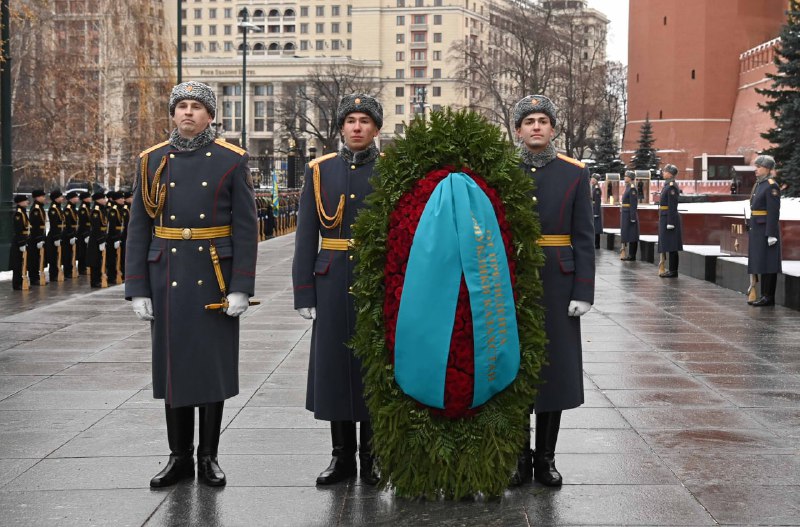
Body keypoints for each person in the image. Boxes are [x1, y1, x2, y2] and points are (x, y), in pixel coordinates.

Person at [125, 81, 258, 488]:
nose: (187, 113)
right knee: (173, 369)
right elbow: (138, 227)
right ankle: (178, 455)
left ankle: (208, 457)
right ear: (172, 113)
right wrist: (138, 287)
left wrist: (240, 287)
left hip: (213, 275)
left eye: (197, 107)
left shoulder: (231, 160)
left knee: (210, 368)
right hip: (167, 274)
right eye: (181, 106)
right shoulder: (151, 161)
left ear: (210, 116)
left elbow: (245, 228)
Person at [292, 93, 383, 486]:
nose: (357, 127)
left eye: (365, 120)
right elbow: (306, 236)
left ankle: (373, 457)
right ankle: (341, 456)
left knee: (375, 368)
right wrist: (304, 292)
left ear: (376, 128)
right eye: (351, 121)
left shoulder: (393, 169)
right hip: (330, 280)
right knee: (335, 368)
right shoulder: (319, 170)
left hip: (378, 278)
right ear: (341, 128)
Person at [511, 94, 595, 487]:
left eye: (543, 120)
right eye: (529, 121)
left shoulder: (574, 173)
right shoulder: (502, 170)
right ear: (517, 130)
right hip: (509, 281)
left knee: (552, 371)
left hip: (558, 285)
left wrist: (583, 290)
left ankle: (545, 458)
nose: (536, 127)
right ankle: (516, 458)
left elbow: (583, 237)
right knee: (511, 368)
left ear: (554, 128)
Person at [747, 155, 781, 306]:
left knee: (769, 263)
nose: (756, 169)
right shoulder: (760, 184)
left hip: (766, 230)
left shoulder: (771, 185)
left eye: (759, 166)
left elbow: (773, 211)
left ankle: (768, 296)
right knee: (761, 261)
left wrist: (771, 234)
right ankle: (763, 294)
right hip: (757, 228)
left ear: (767, 168)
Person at [657, 164, 682, 277]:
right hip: (665, 217)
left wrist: (670, 222)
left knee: (672, 245)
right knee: (668, 244)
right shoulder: (667, 185)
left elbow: (672, 205)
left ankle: (673, 271)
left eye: (665, 171)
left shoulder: (671, 186)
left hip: (669, 219)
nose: (663, 172)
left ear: (670, 173)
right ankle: (671, 270)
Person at [87, 192, 109, 288]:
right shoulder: (96, 211)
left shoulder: (101, 209)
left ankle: (99, 279)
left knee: (100, 260)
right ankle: (95, 281)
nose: (105, 200)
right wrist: (100, 240)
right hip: (96, 238)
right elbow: (96, 227)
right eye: (102, 199)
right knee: (95, 260)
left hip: (102, 236)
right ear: (97, 200)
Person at [10, 195, 31, 290]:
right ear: (20, 202)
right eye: (25, 200)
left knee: (22, 262)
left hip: (24, 239)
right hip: (19, 240)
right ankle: (17, 283)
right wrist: (21, 242)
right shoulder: (18, 213)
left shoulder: (22, 211)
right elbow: (18, 229)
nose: (27, 202)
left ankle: (21, 282)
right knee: (17, 263)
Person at [27, 189, 47, 286]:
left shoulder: (39, 207)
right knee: (34, 259)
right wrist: (39, 238)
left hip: (40, 236)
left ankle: (36, 277)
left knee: (38, 258)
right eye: (42, 196)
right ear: (37, 197)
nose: (44, 198)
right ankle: (34, 278)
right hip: (35, 237)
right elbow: (35, 224)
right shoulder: (36, 208)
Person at [46, 190, 66, 282]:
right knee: (54, 257)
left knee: (58, 256)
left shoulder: (58, 207)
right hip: (54, 235)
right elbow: (54, 224)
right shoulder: (53, 209)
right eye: (60, 197)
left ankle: (57, 274)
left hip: (60, 234)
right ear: (56, 198)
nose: (62, 198)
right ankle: (53, 275)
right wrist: (56, 237)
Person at [620, 171, 640, 261]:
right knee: (627, 233)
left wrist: (632, 217)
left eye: (626, 176)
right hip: (625, 213)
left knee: (632, 234)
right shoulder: (628, 187)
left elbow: (633, 203)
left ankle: (632, 255)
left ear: (630, 178)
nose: (624, 178)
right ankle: (629, 254)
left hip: (629, 214)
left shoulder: (632, 188)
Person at [62, 191, 80, 278]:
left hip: (74, 232)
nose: (77, 198)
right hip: (69, 234)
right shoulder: (68, 208)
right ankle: (67, 271)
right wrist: (71, 235)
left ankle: (71, 270)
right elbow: (68, 223)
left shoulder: (73, 208)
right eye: (76, 197)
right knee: (67, 254)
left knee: (72, 253)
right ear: (71, 199)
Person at [77, 191, 92, 275]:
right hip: (83, 232)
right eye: (88, 197)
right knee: (82, 251)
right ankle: (81, 268)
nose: (90, 199)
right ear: (84, 199)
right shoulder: (83, 208)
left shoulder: (87, 207)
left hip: (88, 230)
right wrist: (86, 234)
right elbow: (83, 222)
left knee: (86, 251)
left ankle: (85, 267)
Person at [590, 175, 602, 249]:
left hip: (595, 210)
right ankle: (595, 243)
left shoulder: (597, 189)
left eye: (593, 179)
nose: (592, 180)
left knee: (596, 228)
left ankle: (597, 244)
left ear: (596, 180)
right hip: (593, 208)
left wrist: (596, 213)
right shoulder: (593, 187)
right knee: (594, 227)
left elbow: (597, 201)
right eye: (592, 178)